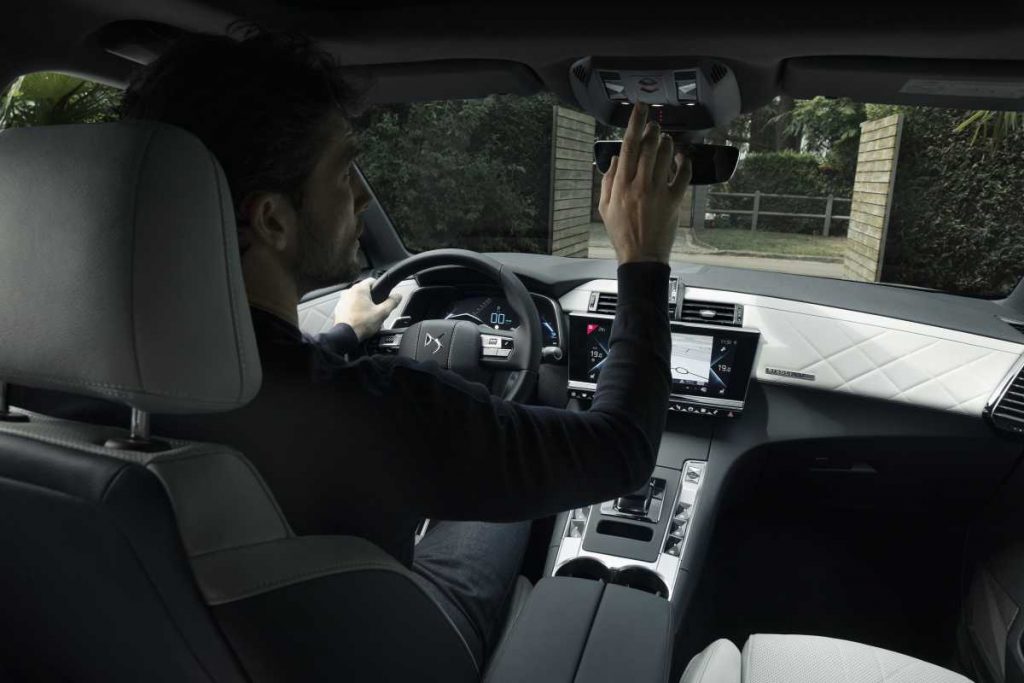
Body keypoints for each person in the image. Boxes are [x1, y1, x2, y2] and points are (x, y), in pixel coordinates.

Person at [10, 29, 689, 664]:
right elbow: (622, 449)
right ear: (272, 220)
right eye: (344, 172)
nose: (364, 195)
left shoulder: (34, 397)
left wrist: (341, 334)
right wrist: (643, 259)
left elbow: (275, 386)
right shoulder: (386, 413)